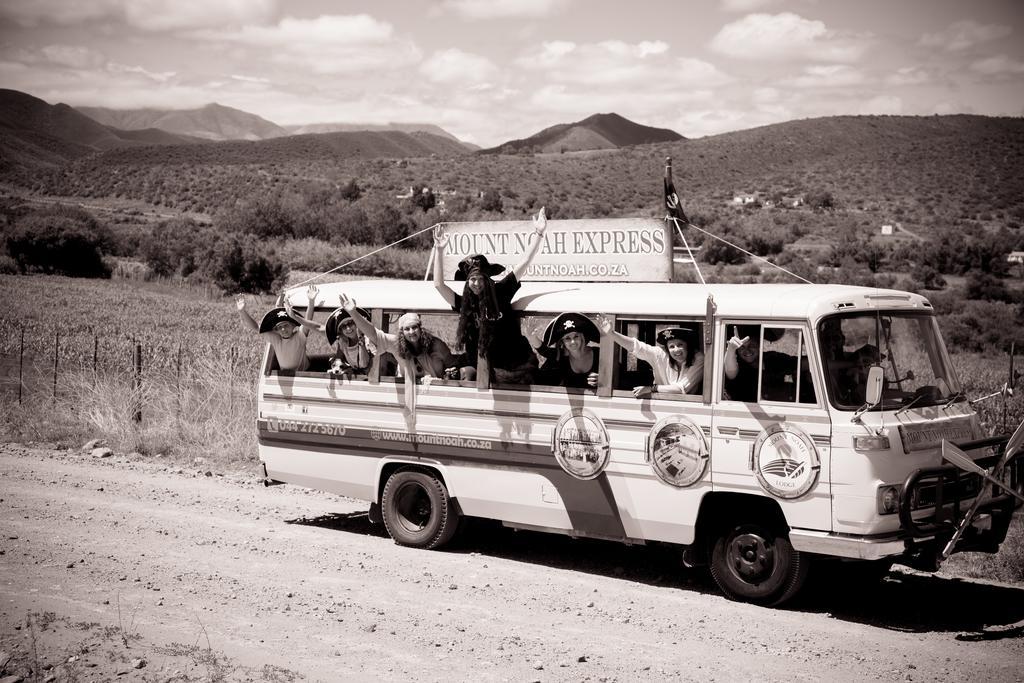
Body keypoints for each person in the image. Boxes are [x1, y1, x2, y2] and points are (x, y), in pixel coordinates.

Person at [433, 207, 548, 383]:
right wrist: (439, 250)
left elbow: (524, 263)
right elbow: (438, 285)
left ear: (488, 279)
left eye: (480, 279)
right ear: (467, 282)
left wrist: (539, 233)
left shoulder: (501, 291)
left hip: (517, 367)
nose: (476, 283)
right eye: (472, 279)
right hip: (487, 369)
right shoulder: (465, 303)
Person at [595, 314, 704, 398]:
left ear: (688, 345)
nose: (676, 350)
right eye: (671, 346)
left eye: (680, 345)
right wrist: (612, 333)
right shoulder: (661, 354)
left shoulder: (699, 359)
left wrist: (651, 388)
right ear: (667, 349)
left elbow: (680, 389)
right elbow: (636, 346)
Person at [236, 285, 317, 372]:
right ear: (276, 330)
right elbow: (256, 327)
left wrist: (311, 301)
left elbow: (307, 321)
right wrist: (242, 311)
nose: (283, 329)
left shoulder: (300, 336)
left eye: (285, 325)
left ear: (293, 325)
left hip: (304, 374)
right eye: (279, 327)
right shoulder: (276, 339)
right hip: (285, 377)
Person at [724, 325, 814, 403]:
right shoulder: (736, 364)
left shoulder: (772, 358)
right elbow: (731, 372)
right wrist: (731, 348)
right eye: (742, 347)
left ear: (759, 344)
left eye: (752, 345)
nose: (747, 350)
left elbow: (803, 364)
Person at [285, 300, 376, 376]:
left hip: (375, 378)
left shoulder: (368, 337)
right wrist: (295, 317)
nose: (348, 328)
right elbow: (318, 327)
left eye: (350, 323)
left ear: (357, 323)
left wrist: (360, 338)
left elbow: (364, 363)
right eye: (343, 326)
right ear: (340, 330)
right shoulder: (343, 340)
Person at [537, 312, 600, 388]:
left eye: (576, 336)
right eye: (567, 338)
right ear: (562, 342)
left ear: (582, 337)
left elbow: (615, 374)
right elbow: (543, 350)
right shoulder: (560, 356)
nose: (572, 342)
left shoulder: (599, 353)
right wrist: (532, 337)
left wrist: (603, 380)